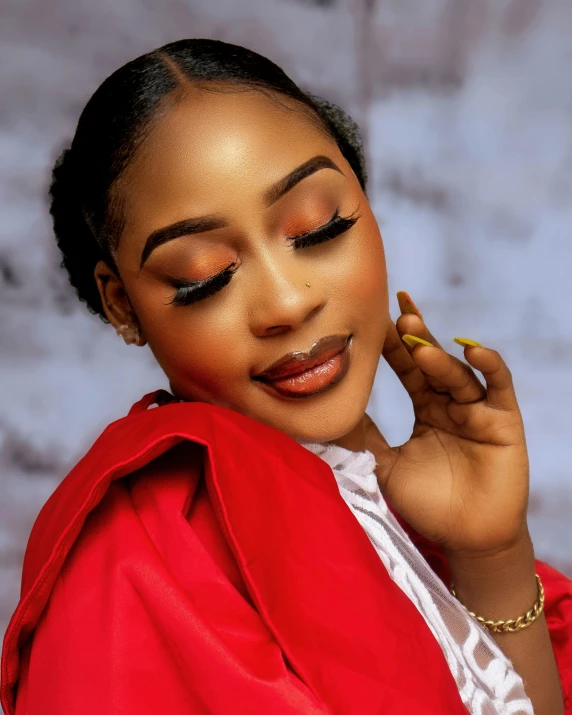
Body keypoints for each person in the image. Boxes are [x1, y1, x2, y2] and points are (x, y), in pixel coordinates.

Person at [1, 38, 570, 715]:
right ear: (123, 303)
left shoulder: (393, 505)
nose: (288, 302)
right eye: (204, 274)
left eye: (318, 227)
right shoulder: (136, 563)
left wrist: (492, 555)